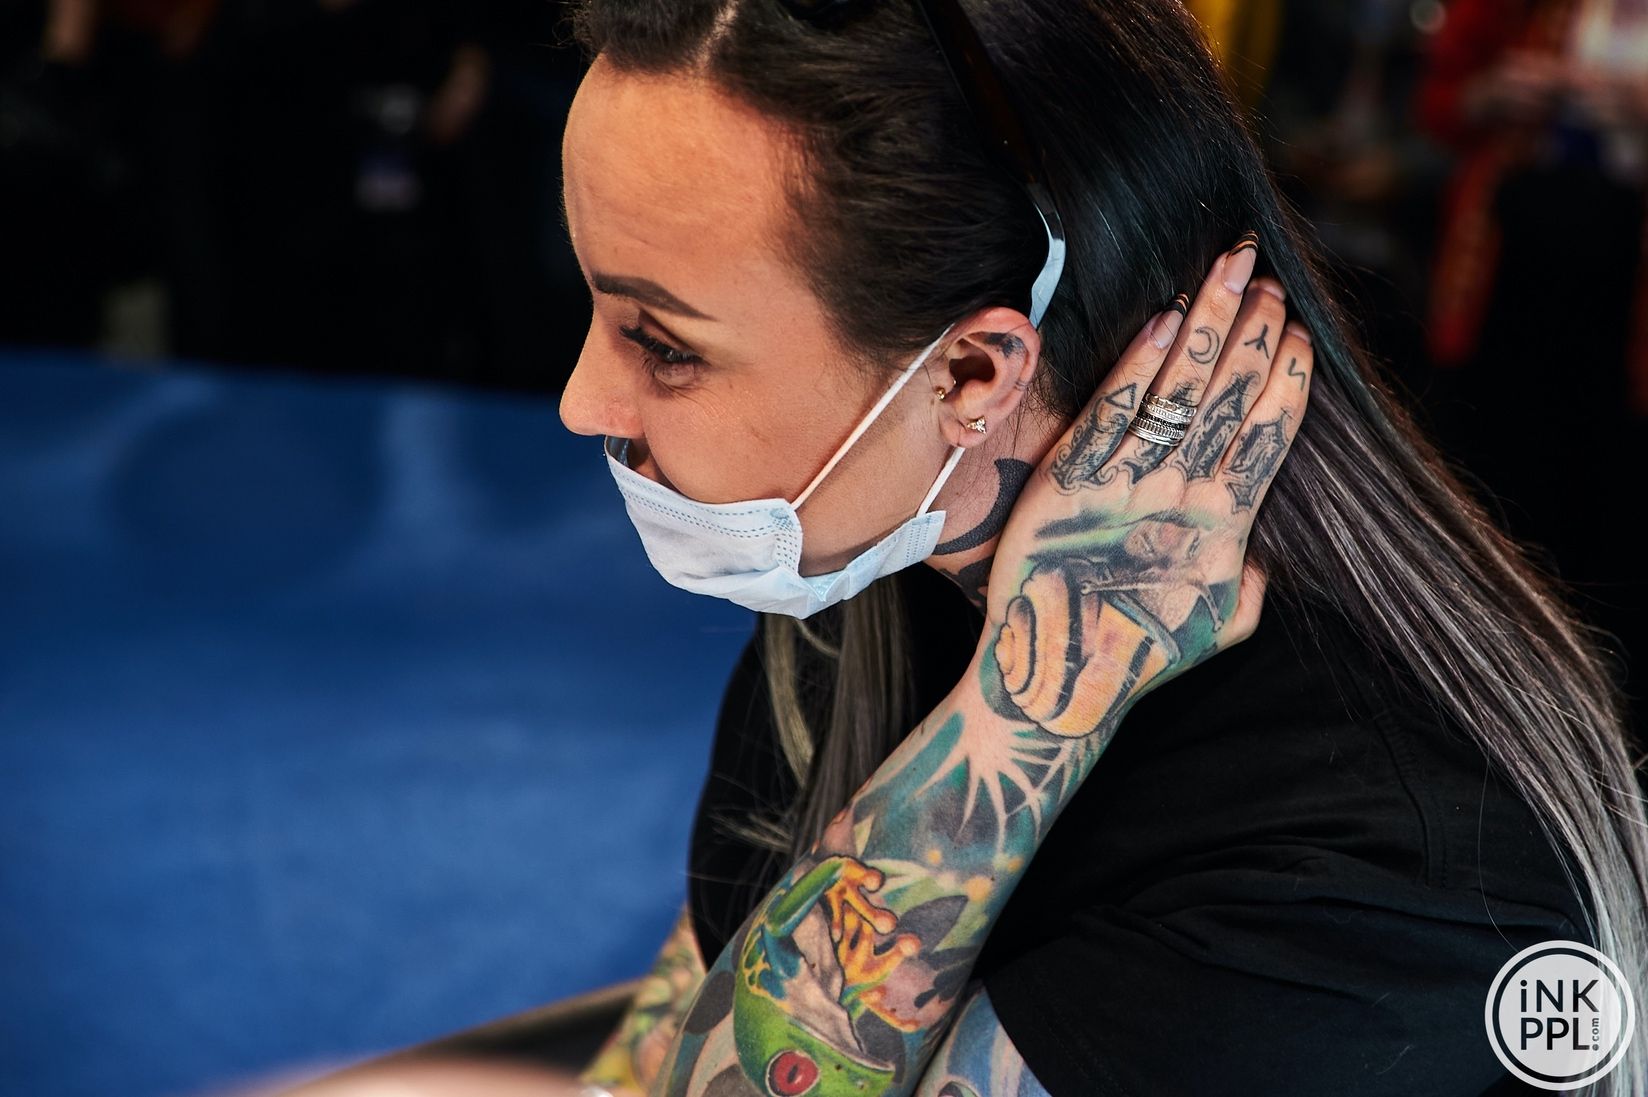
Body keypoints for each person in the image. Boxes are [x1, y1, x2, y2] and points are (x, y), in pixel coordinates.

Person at [269, 1, 1648, 1094]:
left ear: (973, 376)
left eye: (664, 344)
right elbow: (674, 1046)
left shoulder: (1385, 862)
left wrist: (1033, 703)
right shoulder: (880, 573)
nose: (583, 403)